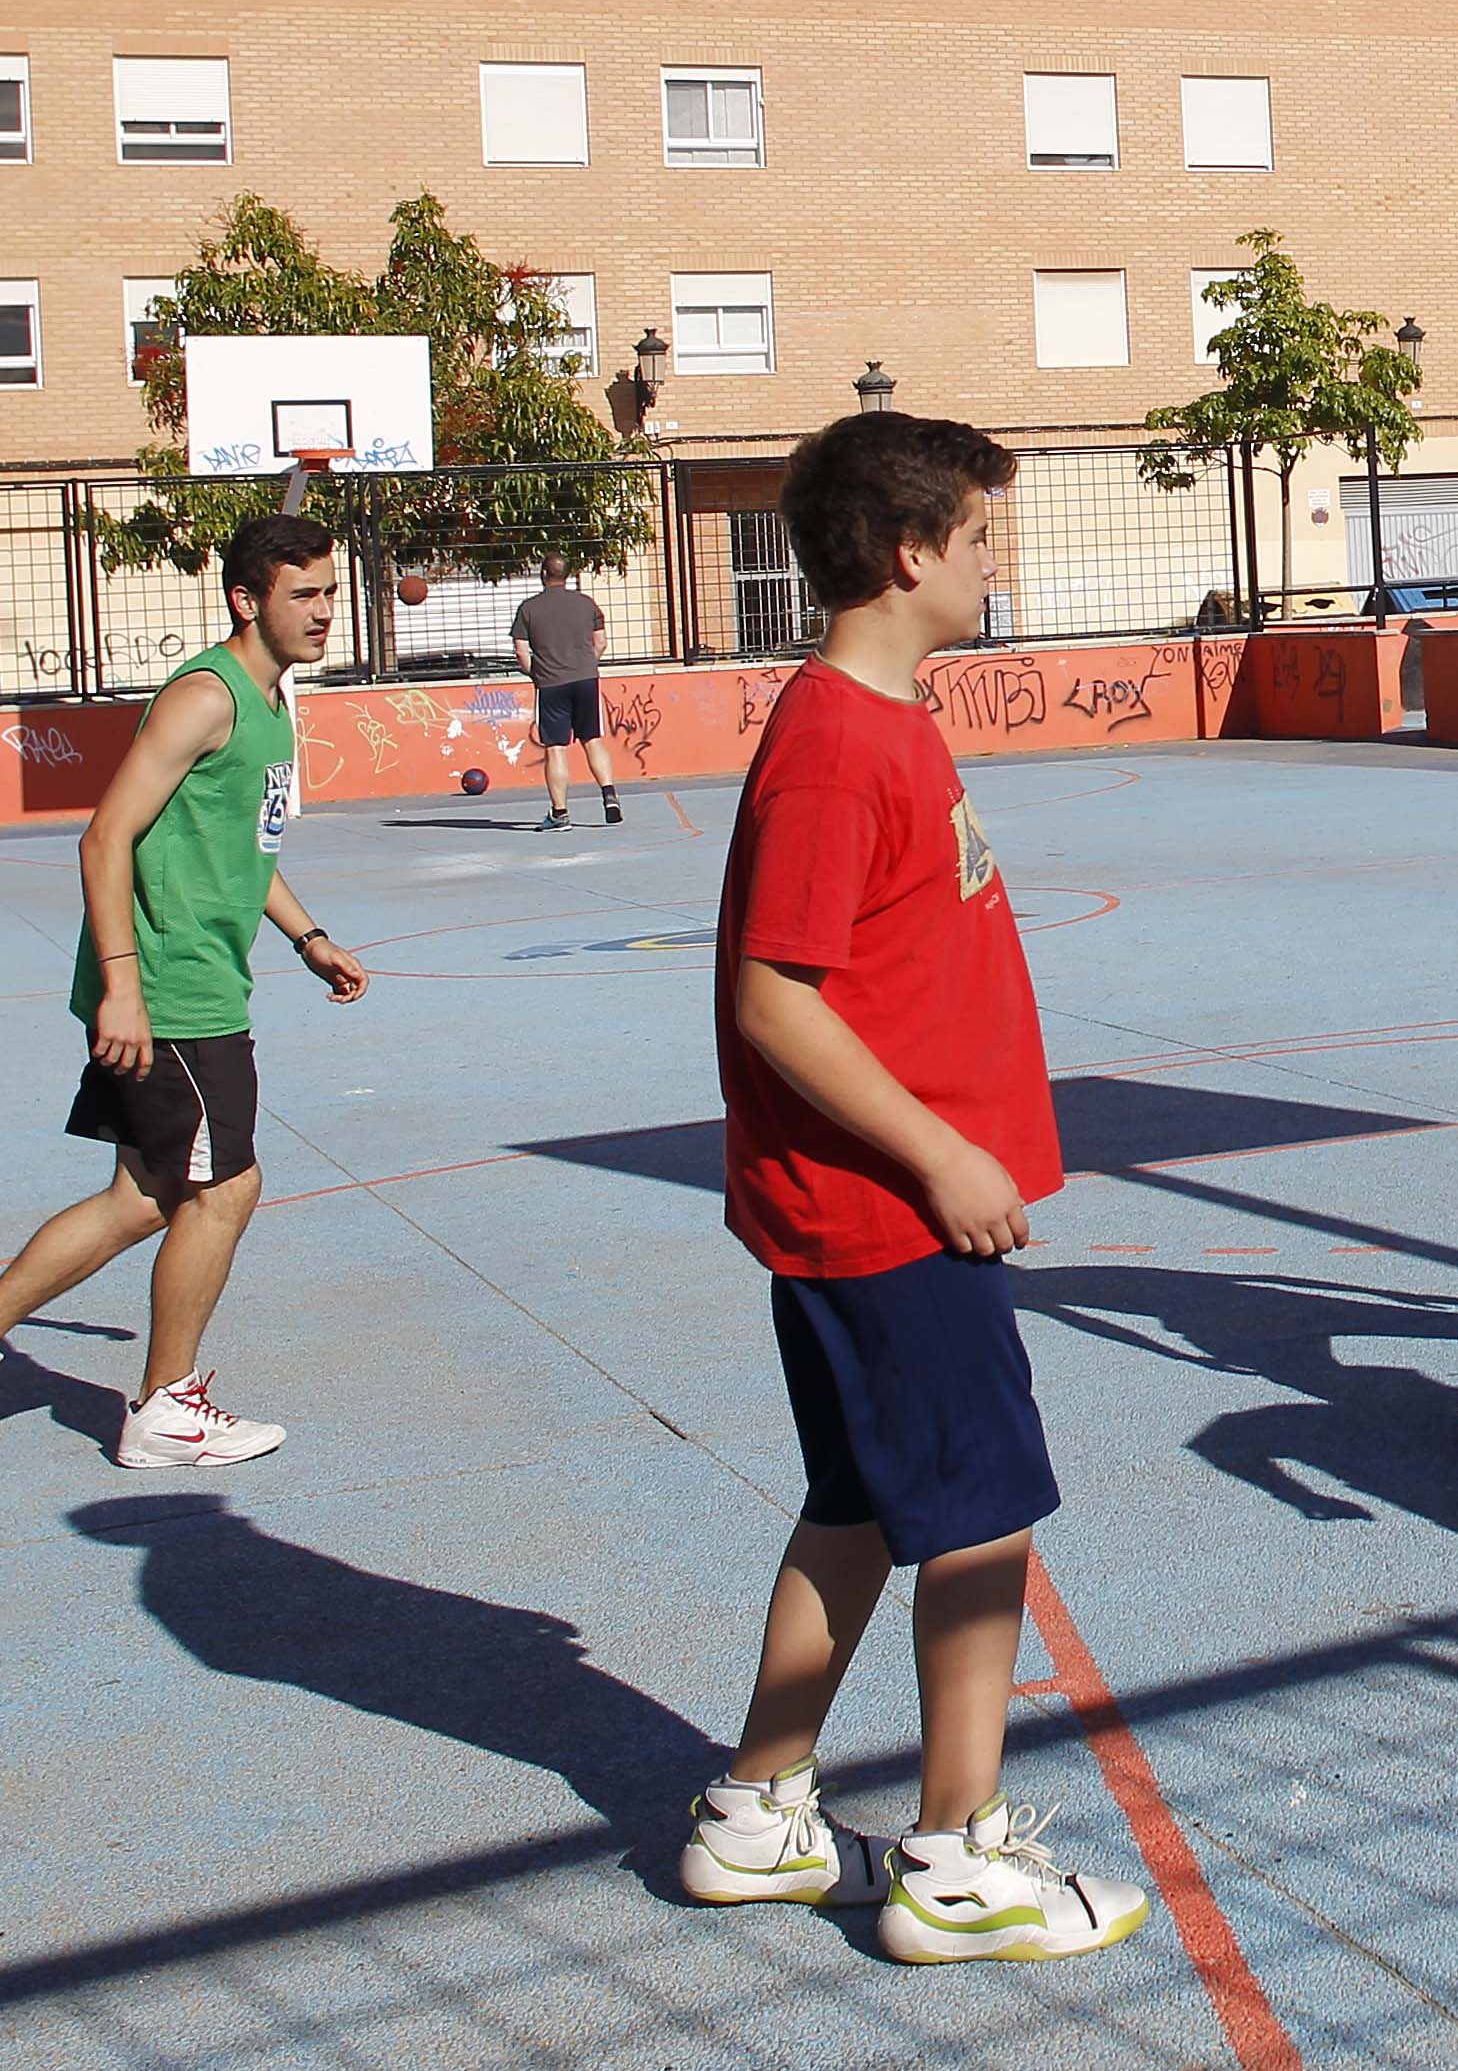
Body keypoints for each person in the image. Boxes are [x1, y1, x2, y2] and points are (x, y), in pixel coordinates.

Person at [673, 412, 1148, 1965]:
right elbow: (775, 999)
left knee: (862, 1509)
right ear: (910, 553)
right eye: (984, 535)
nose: (998, 560)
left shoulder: (888, 716)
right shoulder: (834, 743)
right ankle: (957, 1857)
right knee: (983, 1519)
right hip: (884, 1215)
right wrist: (941, 1151)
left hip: (864, 1211)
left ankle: (757, 1811)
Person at [0, 513, 370, 1479]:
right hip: (170, 987)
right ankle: (161, 1408)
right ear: (247, 599)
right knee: (225, 1187)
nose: (323, 611)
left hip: (202, 977)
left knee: (147, 1195)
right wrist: (122, 989)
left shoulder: (271, 702)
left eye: (329, 592)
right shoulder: (206, 696)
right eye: (303, 594)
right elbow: (104, 839)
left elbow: (240, 850)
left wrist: (307, 937)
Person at [512, 555, 620, 830]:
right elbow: (601, 642)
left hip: (551, 683)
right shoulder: (586, 604)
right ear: (568, 575)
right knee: (592, 739)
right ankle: (609, 796)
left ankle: (560, 814)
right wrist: (586, 664)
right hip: (585, 678)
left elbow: (521, 651)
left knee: (556, 747)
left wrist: (535, 673)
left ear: (543, 574)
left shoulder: (529, 609)